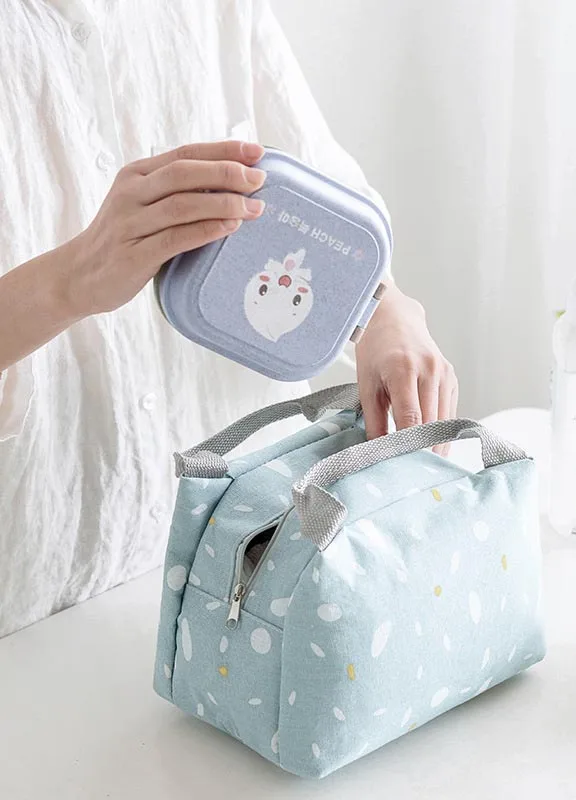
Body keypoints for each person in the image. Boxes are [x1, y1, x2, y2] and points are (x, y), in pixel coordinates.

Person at [0, 1, 457, 637]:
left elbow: (326, 204)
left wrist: (386, 310)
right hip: (32, 607)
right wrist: (66, 282)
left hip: (251, 564)